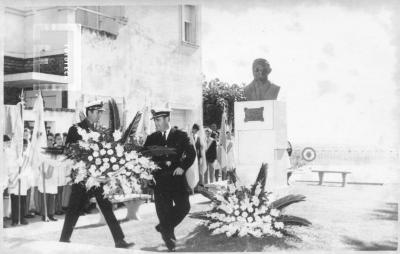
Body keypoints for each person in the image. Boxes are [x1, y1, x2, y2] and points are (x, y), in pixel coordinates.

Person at [60, 100, 133, 248]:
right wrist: (82, 157)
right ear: (90, 111)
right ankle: (63, 240)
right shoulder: (75, 129)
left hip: (98, 177)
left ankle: (119, 240)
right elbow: (68, 150)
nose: (100, 115)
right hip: (82, 177)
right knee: (74, 209)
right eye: (98, 112)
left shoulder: (101, 130)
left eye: (101, 112)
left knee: (106, 207)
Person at [144, 108, 196, 252]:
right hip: (159, 181)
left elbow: (191, 153)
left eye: (158, 120)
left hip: (177, 180)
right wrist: (148, 173)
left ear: (167, 119)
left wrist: (182, 167)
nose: (156, 123)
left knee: (184, 207)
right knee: (164, 212)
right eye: (154, 120)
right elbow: (143, 158)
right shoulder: (151, 138)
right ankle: (170, 241)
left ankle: (163, 227)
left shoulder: (180, 135)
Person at [5, 136, 29, 226]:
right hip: (15, 180)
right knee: (15, 201)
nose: (24, 148)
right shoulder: (13, 155)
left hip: (23, 180)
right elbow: (10, 166)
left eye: (26, 146)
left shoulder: (27, 156)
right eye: (23, 146)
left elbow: (28, 168)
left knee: (23, 200)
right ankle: (15, 219)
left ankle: (22, 218)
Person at [38, 133, 58, 221]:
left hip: (53, 175)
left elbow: (58, 161)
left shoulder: (55, 151)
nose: (50, 141)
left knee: (52, 195)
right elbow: (39, 162)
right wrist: (43, 172)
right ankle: (44, 214)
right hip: (44, 174)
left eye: (51, 139)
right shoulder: (42, 150)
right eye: (48, 139)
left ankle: (51, 214)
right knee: (45, 195)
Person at [191, 124, 206, 188]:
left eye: (197, 130)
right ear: (193, 129)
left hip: (198, 157)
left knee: (199, 170)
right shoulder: (189, 136)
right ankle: (193, 185)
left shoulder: (198, 137)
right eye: (195, 130)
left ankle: (200, 184)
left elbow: (201, 147)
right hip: (191, 157)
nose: (196, 131)